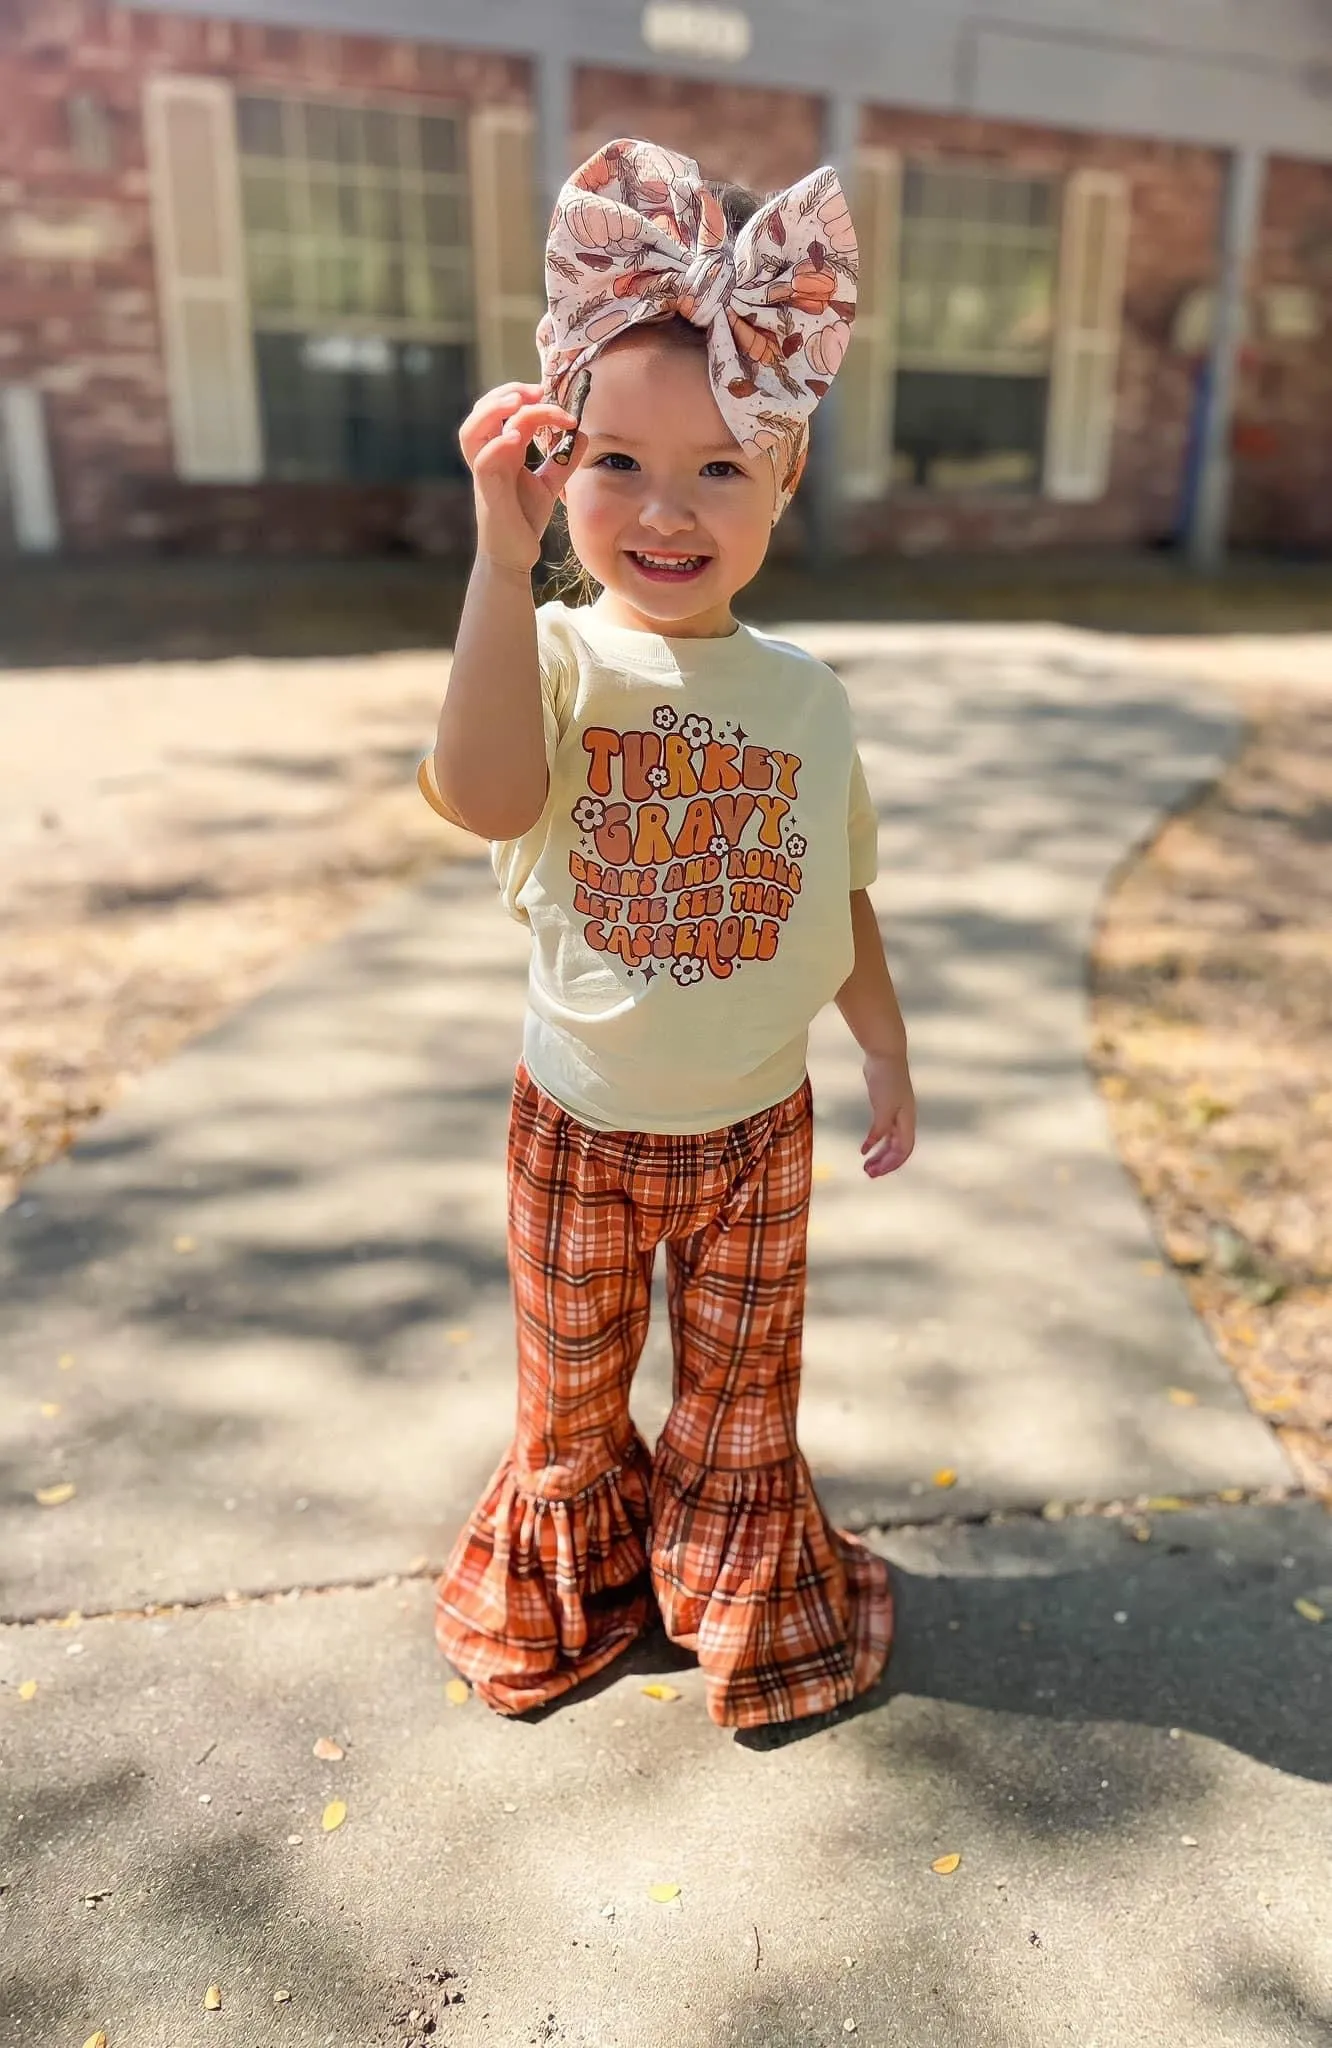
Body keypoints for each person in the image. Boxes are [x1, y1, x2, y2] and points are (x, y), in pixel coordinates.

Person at [419, 137, 916, 1734]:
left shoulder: (804, 696)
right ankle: (574, 1580)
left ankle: (744, 1600)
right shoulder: (557, 656)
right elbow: (487, 797)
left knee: (739, 1401)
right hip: (578, 1128)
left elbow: (836, 890)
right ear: (559, 471)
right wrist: (503, 566)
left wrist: (888, 1046)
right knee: (570, 1396)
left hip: (758, 1134)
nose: (666, 509)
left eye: (720, 467)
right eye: (617, 463)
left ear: (780, 480)